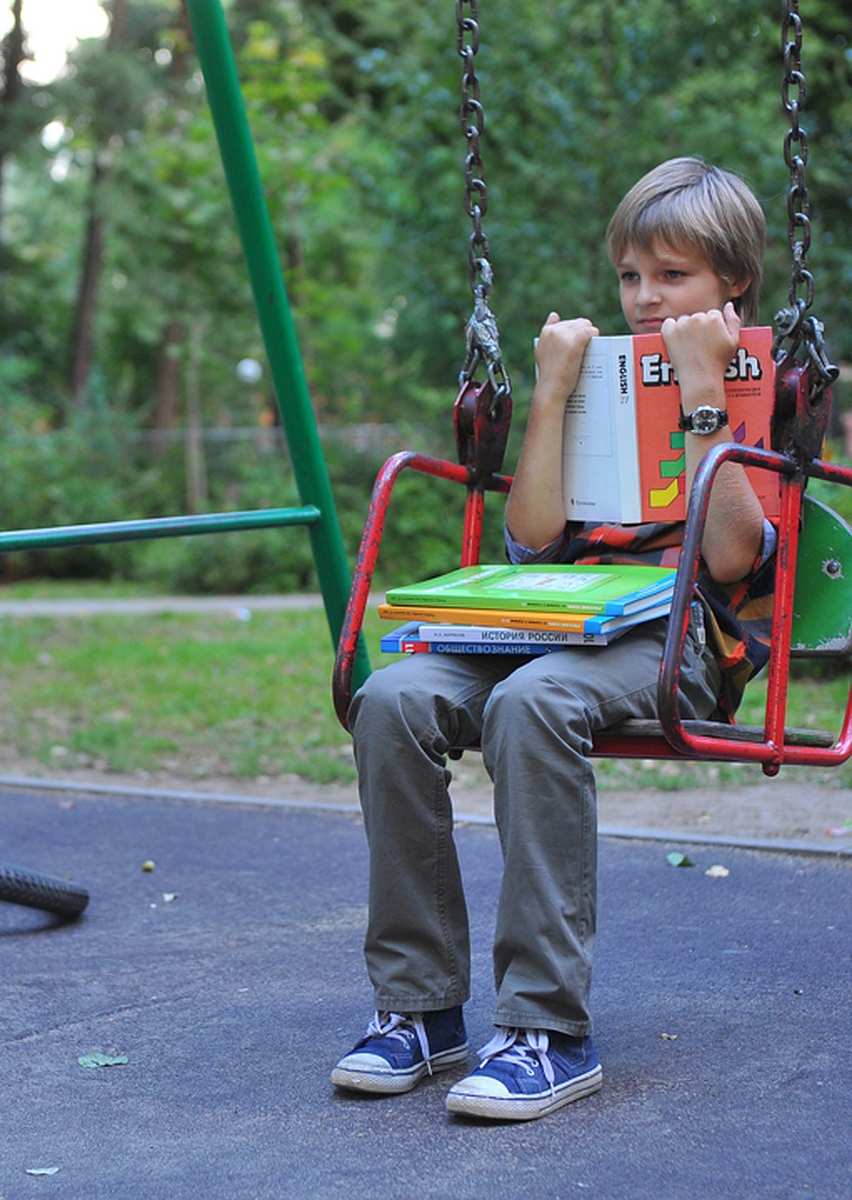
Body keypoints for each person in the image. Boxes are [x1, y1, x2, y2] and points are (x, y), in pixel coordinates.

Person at [331, 157, 775, 1121]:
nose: (646, 299)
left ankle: (546, 1029)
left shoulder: (757, 374)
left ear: (730, 280)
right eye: (631, 276)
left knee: (538, 703)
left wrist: (704, 394)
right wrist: (550, 392)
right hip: (550, 617)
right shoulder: (599, 377)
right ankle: (420, 1011)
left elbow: (735, 559)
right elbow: (531, 536)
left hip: (674, 637)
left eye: (674, 275)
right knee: (392, 698)